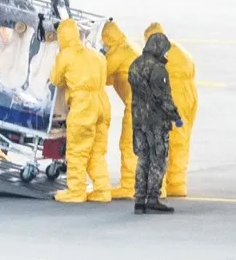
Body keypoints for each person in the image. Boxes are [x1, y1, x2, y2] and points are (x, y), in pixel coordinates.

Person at [50, 19, 112, 203]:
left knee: (77, 150)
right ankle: (102, 190)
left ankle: (76, 191)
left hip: (83, 106)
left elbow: (55, 79)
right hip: (102, 104)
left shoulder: (65, 55)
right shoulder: (97, 55)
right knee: (96, 151)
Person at [128, 32, 182, 214]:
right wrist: (175, 116)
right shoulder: (158, 69)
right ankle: (153, 198)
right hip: (156, 122)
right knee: (158, 159)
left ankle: (139, 199)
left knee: (143, 159)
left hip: (138, 121)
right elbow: (163, 97)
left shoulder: (135, 65)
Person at [144, 22, 198, 197]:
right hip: (189, 96)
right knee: (181, 141)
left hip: (171, 97)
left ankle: (158, 187)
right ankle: (177, 184)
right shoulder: (181, 51)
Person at [100, 20, 140, 199]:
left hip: (138, 103)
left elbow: (99, 76)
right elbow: (113, 78)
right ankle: (157, 186)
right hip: (152, 102)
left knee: (129, 144)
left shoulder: (117, 53)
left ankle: (129, 186)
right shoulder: (129, 45)